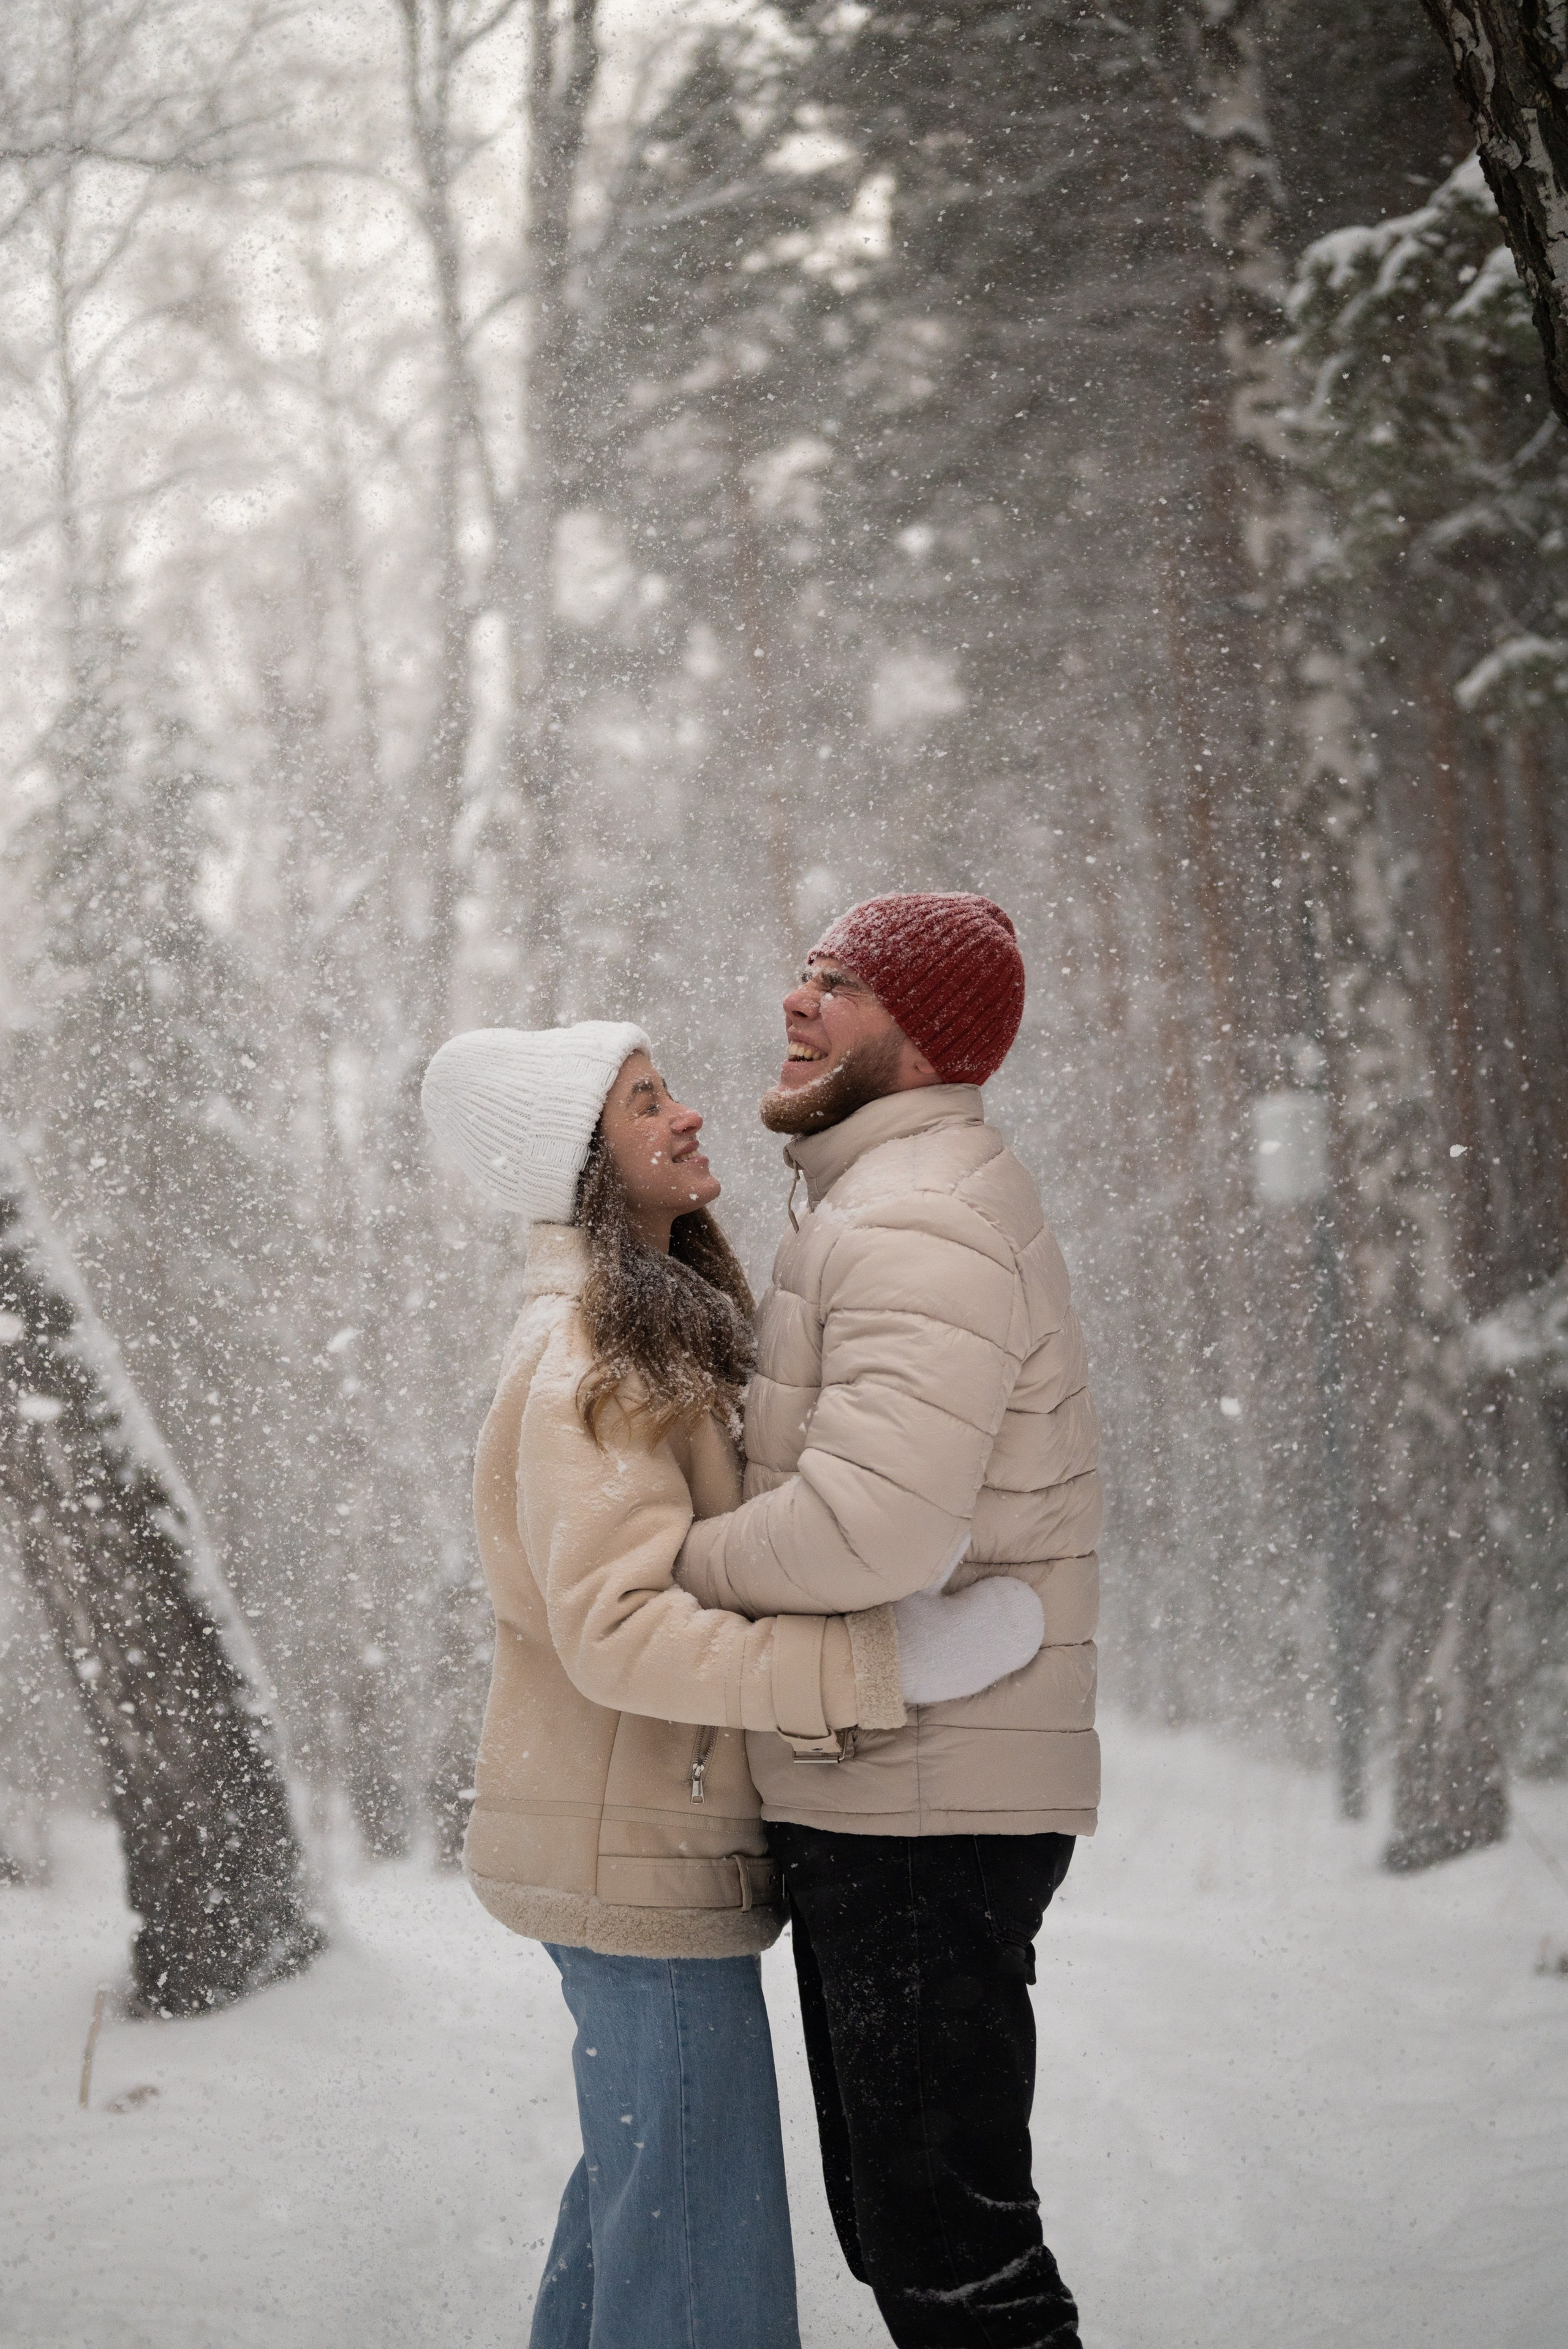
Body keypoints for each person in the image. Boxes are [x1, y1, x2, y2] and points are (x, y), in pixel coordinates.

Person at [420, 1017, 1046, 2349]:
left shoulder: (656, 1321)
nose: (689, 1114)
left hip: (641, 1846)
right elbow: (617, 1629)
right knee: (704, 2281)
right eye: (646, 1103)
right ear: (582, 1164)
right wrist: (872, 1666)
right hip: (633, 1861)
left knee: (646, 2220)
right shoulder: (593, 1351)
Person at [673, 892, 1101, 2349]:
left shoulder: (915, 1213)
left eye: (838, 983)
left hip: (928, 1799)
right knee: (908, 2232)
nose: (796, 1001)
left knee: (951, 2256)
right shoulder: (875, 1198)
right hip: (896, 1782)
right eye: (801, 969)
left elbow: (876, 1524)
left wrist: (681, 1564)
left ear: (921, 1042)